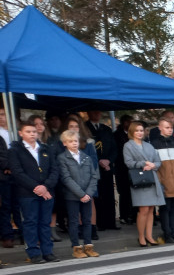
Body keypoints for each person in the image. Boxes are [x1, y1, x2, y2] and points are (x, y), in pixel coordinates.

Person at [8, 119, 59, 263]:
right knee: (31, 222)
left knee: (45, 222)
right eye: (28, 132)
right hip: (27, 193)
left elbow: (54, 170)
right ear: (21, 133)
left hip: (47, 192)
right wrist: (36, 188)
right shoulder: (15, 150)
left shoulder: (45, 149)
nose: (32, 134)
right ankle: (33, 252)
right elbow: (17, 172)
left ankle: (47, 251)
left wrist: (46, 186)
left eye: (34, 132)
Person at [57, 129, 100, 257]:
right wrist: (81, 194)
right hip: (72, 196)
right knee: (74, 221)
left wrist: (88, 193)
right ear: (65, 143)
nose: (74, 143)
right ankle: (76, 247)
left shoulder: (85, 157)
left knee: (87, 220)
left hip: (87, 195)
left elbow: (93, 176)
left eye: (75, 141)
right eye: (70, 141)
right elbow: (66, 178)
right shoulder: (62, 158)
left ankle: (88, 245)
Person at [123, 121, 165, 247]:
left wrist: (153, 165)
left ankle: (149, 236)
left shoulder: (149, 145)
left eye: (141, 130)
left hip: (151, 179)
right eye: (137, 130)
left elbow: (158, 161)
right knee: (143, 209)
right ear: (132, 132)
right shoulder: (128, 146)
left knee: (151, 208)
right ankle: (141, 237)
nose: (140, 133)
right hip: (140, 180)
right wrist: (144, 164)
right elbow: (128, 163)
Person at [151, 118, 174, 243]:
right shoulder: (154, 144)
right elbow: (155, 168)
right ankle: (167, 233)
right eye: (167, 127)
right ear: (160, 128)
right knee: (165, 209)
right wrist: (159, 182)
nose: (170, 130)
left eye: (171, 128)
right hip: (164, 183)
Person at [85, 111, 119, 231]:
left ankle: (110, 222)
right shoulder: (85, 128)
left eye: (99, 112)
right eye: (95, 112)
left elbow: (114, 148)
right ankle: (99, 222)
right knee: (97, 196)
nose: (97, 114)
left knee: (109, 194)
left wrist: (109, 160)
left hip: (107, 167)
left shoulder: (106, 129)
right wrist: (99, 161)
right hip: (94, 167)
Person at [114, 114, 136, 225]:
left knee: (134, 192)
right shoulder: (117, 135)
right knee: (124, 192)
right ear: (125, 123)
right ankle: (124, 215)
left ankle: (132, 214)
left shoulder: (133, 135)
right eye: (129, 122)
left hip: (132, 168)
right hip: (121, 168)